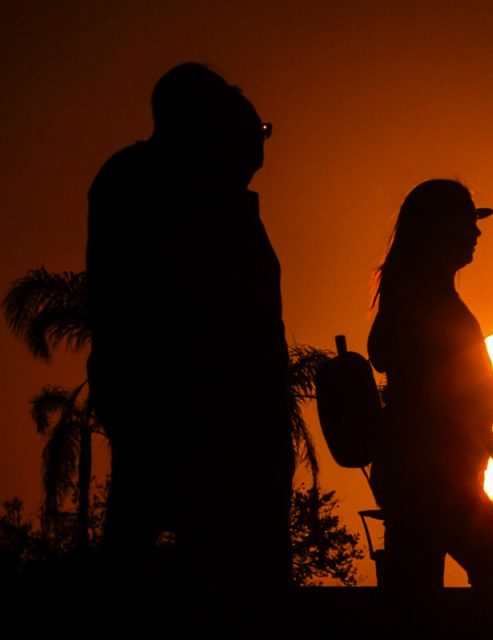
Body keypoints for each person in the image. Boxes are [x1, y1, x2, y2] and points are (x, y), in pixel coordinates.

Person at [86, 63, 293, 619]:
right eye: (254, 131)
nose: (259, 144)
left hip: (199, 412)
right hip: (197, 415)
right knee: (215, 565)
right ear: (205, 129)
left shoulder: (193, 192)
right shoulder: (169, 194)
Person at [367, 179, 493, 593]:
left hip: (427, 473)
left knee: (417, 596)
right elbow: (439, 397)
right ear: (438, 230)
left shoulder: (419, 295)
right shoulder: (425, 301)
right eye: (466, 223)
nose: (476, 233)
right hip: (433, 476)